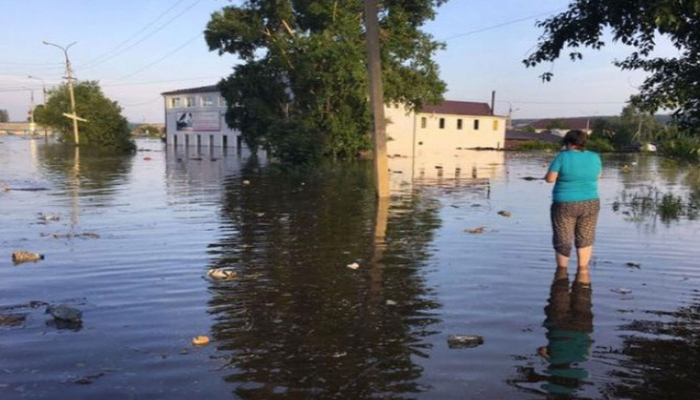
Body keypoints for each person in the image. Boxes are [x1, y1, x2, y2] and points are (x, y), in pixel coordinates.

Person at [544, 130, 602, 283]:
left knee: (563, 237)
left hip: (564, 203)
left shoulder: (562, 156)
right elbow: (598, 176)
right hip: (590, 202)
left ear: (568, 143)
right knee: (586, 236)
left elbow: (550, 179)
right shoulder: (594, 157)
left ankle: (562, 275)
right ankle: (583, 272)